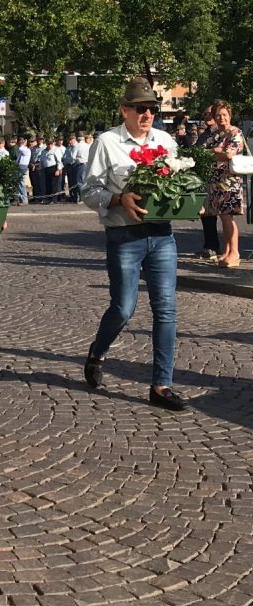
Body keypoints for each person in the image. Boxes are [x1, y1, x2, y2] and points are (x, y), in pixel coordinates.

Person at [81, 76, 184, 410]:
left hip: (162, 234)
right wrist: (118, 199)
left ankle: (161, 385)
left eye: (152, 109)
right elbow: (88, 191)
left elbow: (176, 183)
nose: (147, 114)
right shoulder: (107, 142)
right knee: (123, 308)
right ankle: (98, 352)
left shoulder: (166, 142)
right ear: (124, 109)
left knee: (166, 309)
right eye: (140, 108)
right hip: (124, 235)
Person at [207, 100, 245, 268]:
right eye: (218, 115)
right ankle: (228, 250)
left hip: (230, 182)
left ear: (230, 116)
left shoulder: (235, 132)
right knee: (223, 217)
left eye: (224, 115)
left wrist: (214, 152)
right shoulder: (216, 135)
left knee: (228, 217)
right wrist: (214, 152)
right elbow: (206, 152)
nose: (221, 118)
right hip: (217, 182)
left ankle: (235, 252)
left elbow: (229, 154)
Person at [195, 106, 221, 260]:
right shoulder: (204, 134)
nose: (207, 116)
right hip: (205, 178)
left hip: (220, 180)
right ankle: (211, 245)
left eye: (210, 114)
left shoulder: (222, 133)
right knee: (206, 213)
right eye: (204, 113)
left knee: (225, 217)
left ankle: (230, 250)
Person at [16, 135, 31, 205]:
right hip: (19, 166)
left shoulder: (26, 150)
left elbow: (20, 149)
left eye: (21, 141)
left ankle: (24, 200)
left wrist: (23, 143)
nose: (20, 143)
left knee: (21, 183)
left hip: (23, 167)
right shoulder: (21, 149)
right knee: (18, 184)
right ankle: (21, 199)